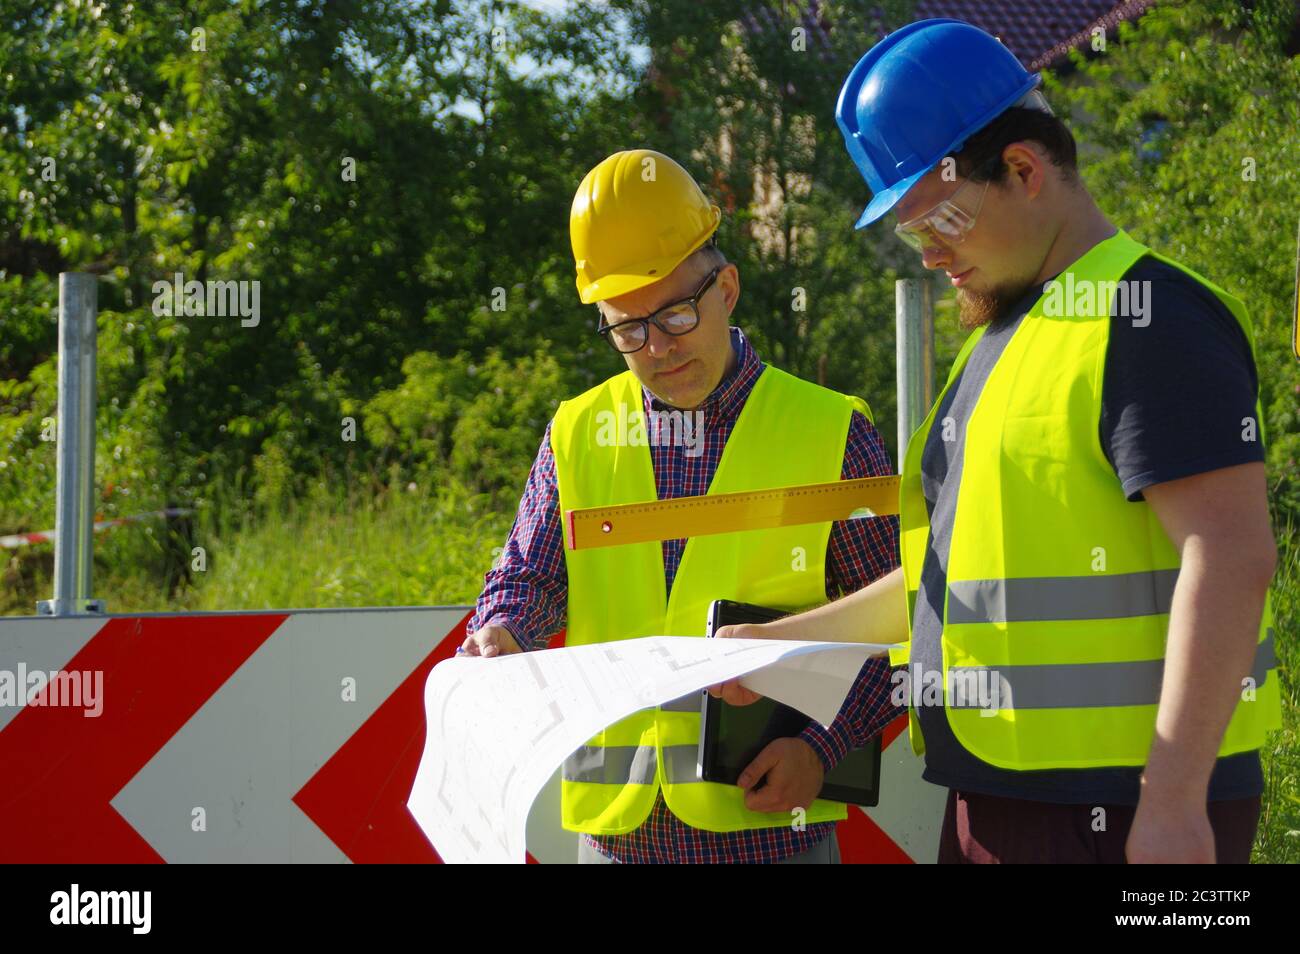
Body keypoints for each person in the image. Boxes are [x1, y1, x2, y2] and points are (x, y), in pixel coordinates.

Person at [714, 19, 1281, 864]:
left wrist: (1175, 800)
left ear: (1023, 168)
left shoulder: (1150, 317)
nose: (931, 254)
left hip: (1127, 810)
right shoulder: (1006, 339)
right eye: (912, 233)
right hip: (1004, 796)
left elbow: (1231, 554)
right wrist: (786, 646)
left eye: (938, 218)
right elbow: (951, 584)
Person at [460, 149, 901, 863]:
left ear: (726, 287)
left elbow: (908, 616)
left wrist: (824, 749)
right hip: (617, 838)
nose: (658, 348)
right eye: (627, 330)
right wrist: (503, 632)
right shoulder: (576, 433)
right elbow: (528, 579)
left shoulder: (832, 431)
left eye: (675, 313)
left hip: (770, 842)